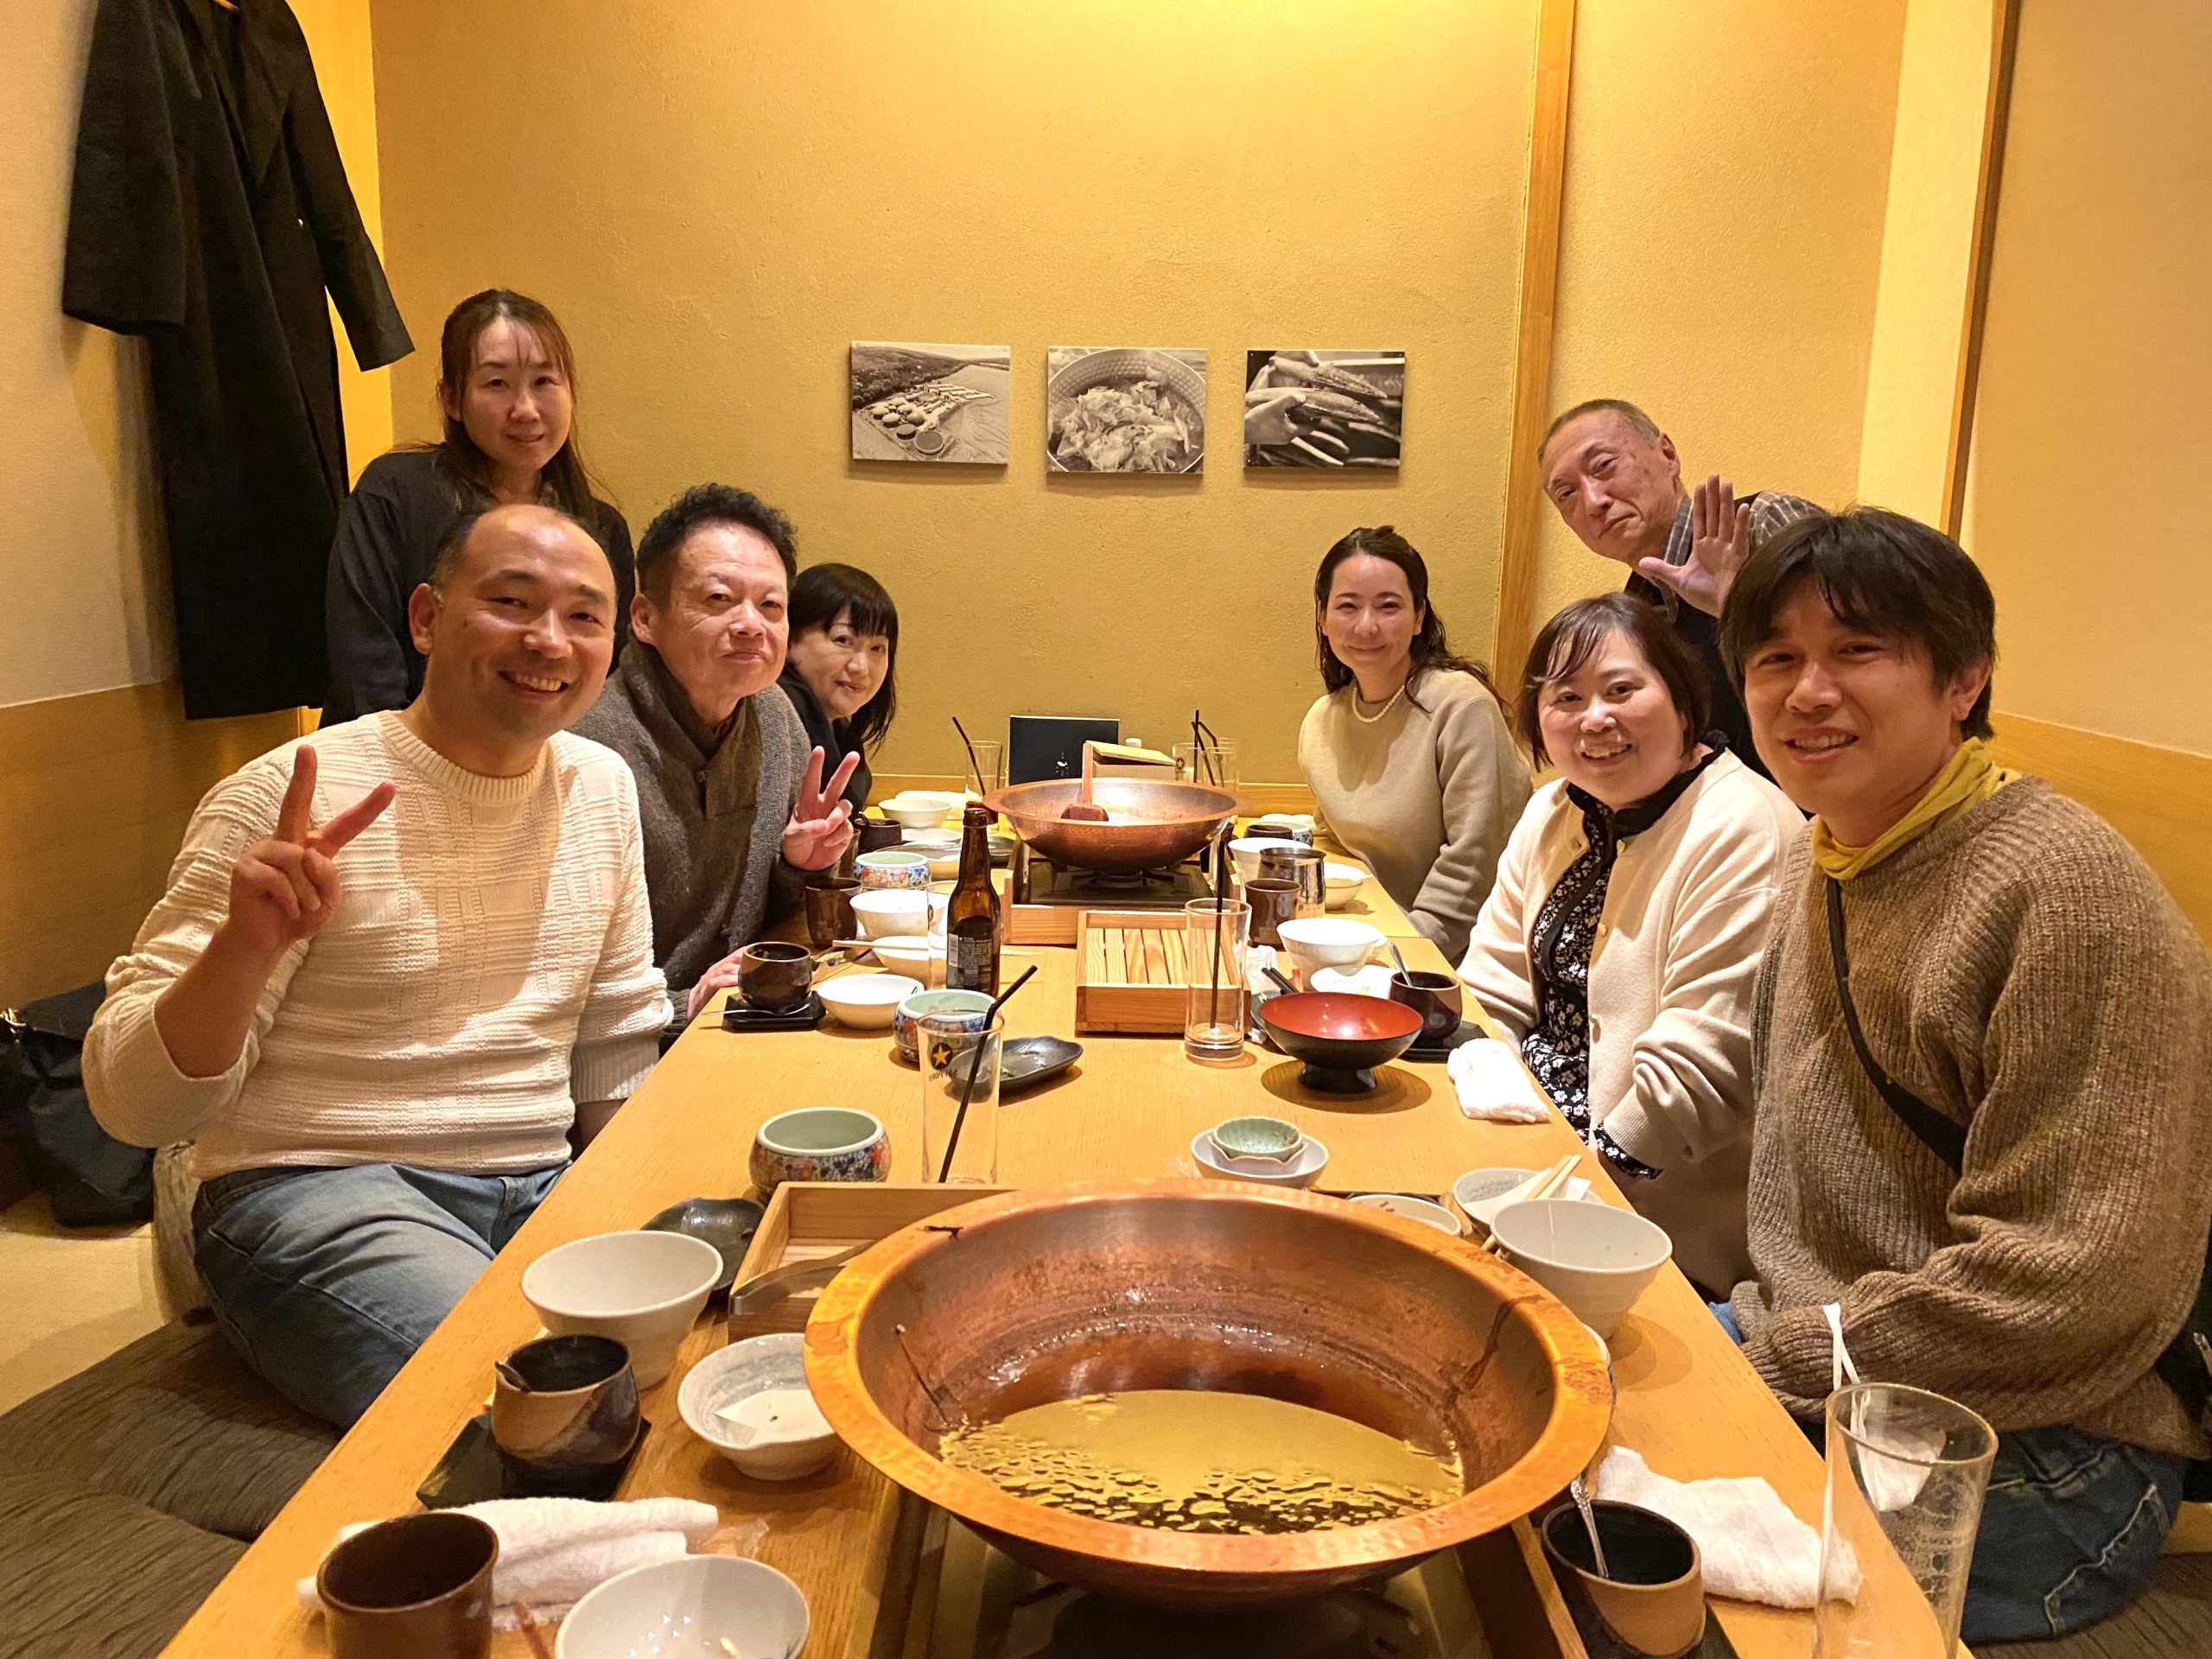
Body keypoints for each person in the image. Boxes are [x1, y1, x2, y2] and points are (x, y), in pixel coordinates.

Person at [1715, 507, 2212, 1642]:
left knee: (1631, 1560)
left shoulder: (2063, 891)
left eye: (1858, 650)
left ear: (1964, 679)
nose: (1808, 691)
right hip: (1835, 1360)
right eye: (1775, 659)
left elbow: (2068, 1282)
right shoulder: (1825, 854)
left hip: (2048, 1445)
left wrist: (1778, 1357)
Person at [85, 505, 671, 1428]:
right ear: (427, 619)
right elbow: (132, 1105)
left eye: (583, 616)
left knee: (716, 1341)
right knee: (549, 1413)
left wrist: (650, 1211)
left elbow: (613, 1037)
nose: (549, 640)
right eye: (512, 602)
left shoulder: (599, 785)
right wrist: (244, 948)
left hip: (538, 1184)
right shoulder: (289, 793)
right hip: (317, 1190)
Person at [1458, 594, 1802, 1294]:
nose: (1595, 718)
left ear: (1682, 701)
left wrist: (1572, 1191)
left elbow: (1704, 1065)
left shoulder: (1744, 826)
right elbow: (1490, 986)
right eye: (1566, 698)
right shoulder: (1555, 809)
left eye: (1620, 690)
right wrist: (1485, 1124)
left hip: (1655, 1227)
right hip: (1527, 1153)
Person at [575, 486, 857, 1020]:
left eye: (770, 606)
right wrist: (683, 1004)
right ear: (645, 618)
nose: (751, 624)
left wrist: (798, 865)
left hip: (739, 1019)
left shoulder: (773, 715)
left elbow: (770, 920)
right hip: (633, 1046)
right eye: (718, 599)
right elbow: (558, 976)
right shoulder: (588, 748)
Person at [322, 289, 636, 722]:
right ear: (452, 399)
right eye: (497, 384)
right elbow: (364, 671)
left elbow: (603, 679)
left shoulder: (601, 528)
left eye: (544, 382)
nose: (525, 409)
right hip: (395, 750)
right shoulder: (395, 494)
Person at [1538, 398, 1820, 773]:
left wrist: (1735, 608)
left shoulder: (1757, 526)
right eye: (1567, 494)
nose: (1593, 502)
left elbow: (1854, 663)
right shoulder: (1636, 607)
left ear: (1668, 455)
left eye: (1604, 466)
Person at [1297, 526, 1530, 958]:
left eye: (1389, 606)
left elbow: (1475, 864)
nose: (1367, 626)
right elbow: (1335, 843)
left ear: (1419, 616)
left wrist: (1404, 955)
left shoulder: (1461, 706)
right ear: (1322, 618)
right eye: (1348, 606)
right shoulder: (1322, 721)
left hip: (1449, 960)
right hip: (1367, 938)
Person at [779, 563, 900, 817]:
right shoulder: (776, 719)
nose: (861, 667)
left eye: (877, 648)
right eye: (843, 640)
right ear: (789, 640)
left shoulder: (840, 731)